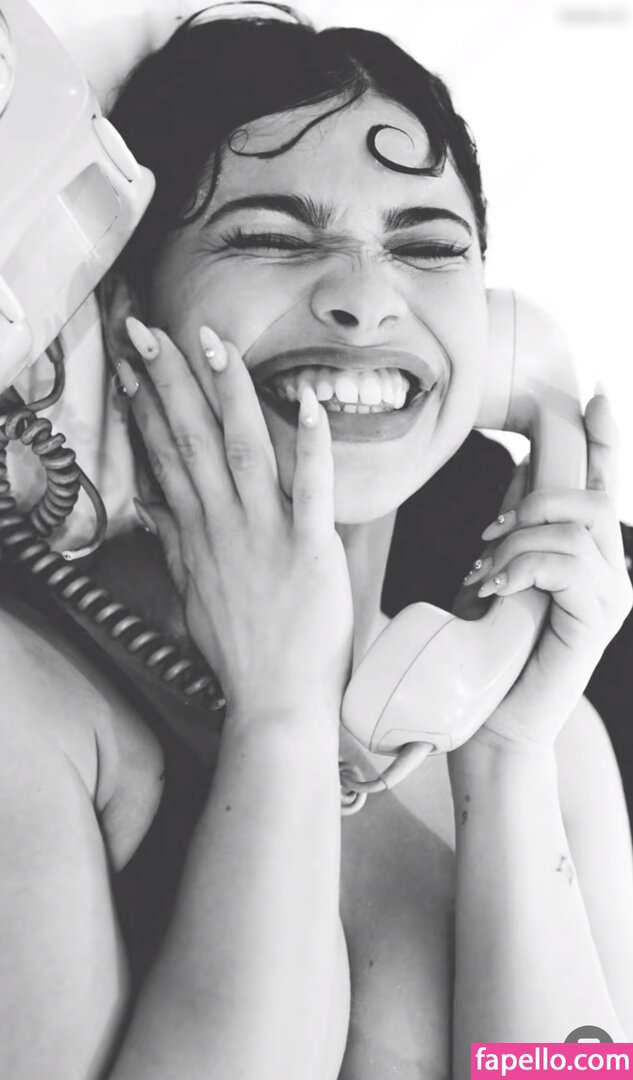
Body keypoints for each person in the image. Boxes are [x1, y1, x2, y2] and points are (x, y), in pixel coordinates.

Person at [2, 8, 633, 1080]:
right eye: (271, 239)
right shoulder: (29, 709)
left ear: (497, 340)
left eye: (427, 248)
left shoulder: (547, 735)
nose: (366, 300)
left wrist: (506, 765)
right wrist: (281, 718)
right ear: (121, 320)